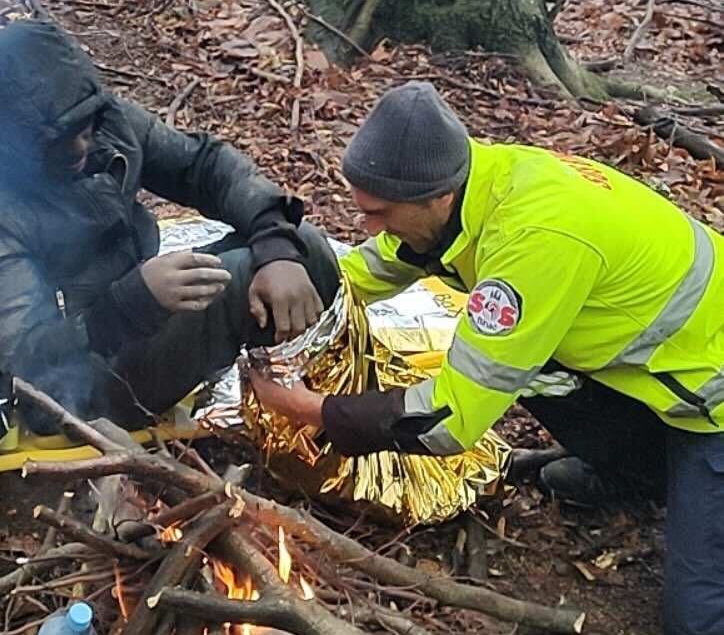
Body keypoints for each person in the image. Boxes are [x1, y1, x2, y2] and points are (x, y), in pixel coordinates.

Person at [250, 81, 724, 635]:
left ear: (437, 197)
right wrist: (297, 287)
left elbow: (449, 418)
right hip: (659, 367)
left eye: (380, 214)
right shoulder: (476, 183)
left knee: (695, 620)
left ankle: (664, 473)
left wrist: (307, 408)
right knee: (534, 370)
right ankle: (635, 469)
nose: (369, 228)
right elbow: (375, 265)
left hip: (710, 404)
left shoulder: (533, 240)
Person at [0, 19, 339, 433]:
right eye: (59, 142)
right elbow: (29, 356)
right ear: (14, 146)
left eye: (84, 130)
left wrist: (275, 242)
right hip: (74, 388)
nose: (81, 147)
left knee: (299, 248)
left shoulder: (101, 121)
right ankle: (299, 425)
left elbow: (202, 167)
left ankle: (307, 406)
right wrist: (136, 300)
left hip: (138, 319)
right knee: (242, 275)